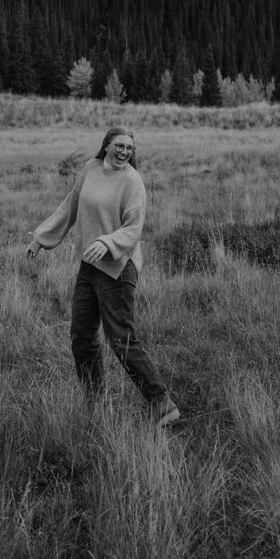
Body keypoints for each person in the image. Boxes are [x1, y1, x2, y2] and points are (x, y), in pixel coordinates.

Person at [26, 126, 180, 427]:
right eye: (119, 145)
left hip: (118, 267)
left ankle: (163, 404)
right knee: (81, 337)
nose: (125, 152)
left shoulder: (132, 181)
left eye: (130, 148)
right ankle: (94, 400)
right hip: (89, 265)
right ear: (106, 145)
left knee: (120, 338)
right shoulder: (90, 169)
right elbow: (70, 206)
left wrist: (106, 242)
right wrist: (41, 238)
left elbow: (133, 228)